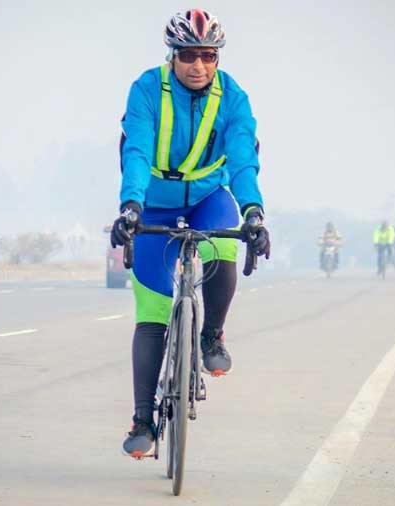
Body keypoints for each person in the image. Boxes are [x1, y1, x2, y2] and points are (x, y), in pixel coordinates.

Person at [109, 9, 270, 459]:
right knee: (154, 309)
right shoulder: (146, 89)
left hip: (206, 196)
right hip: (154, 200)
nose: (198, 65)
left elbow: (242, 158)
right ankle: (143, 421)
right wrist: (131, 206)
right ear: (172, 56)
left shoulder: (233, 97)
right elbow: (137, 149)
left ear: (217, 57)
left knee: (221, 246)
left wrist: (254, 212)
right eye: (188, 56)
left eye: (208, 55)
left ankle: (211, 336)